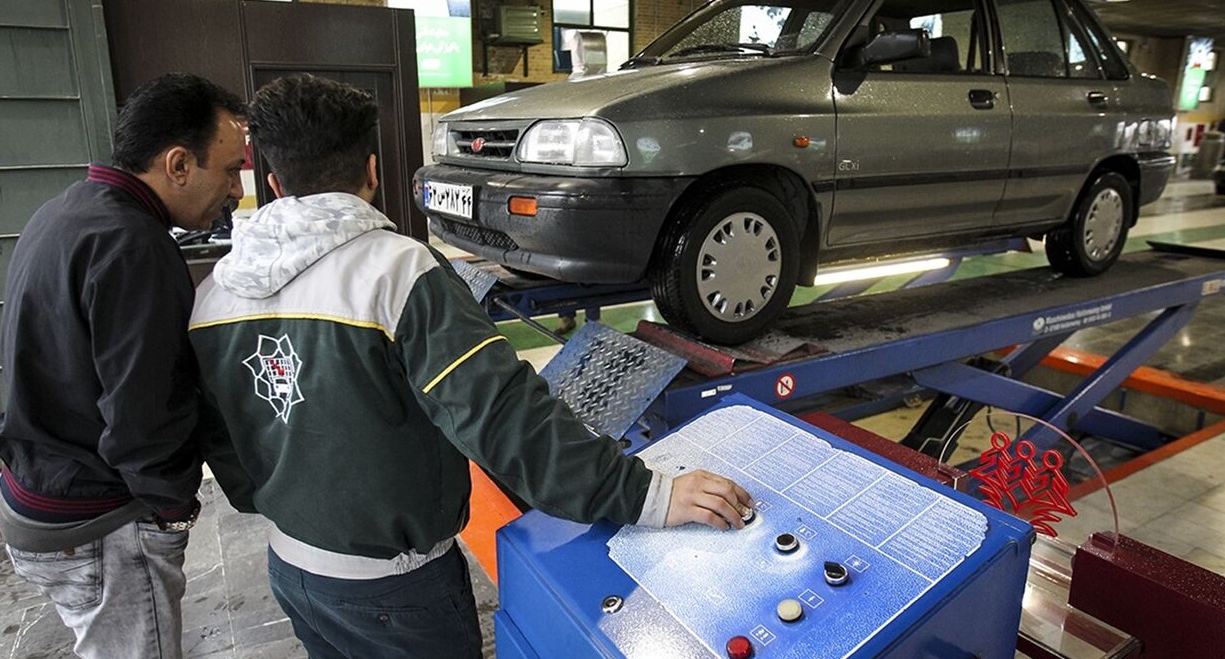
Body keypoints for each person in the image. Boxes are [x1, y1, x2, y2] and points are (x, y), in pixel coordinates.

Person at [188, 73, 753, 659]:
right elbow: (506, 421)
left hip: (292, 571)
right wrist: (648, 496)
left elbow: (222, 441)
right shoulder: (399, 274)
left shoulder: (214, 295)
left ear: (274, 184)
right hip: (398, 591)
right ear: (373, 171)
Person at [0, 73, 248, 658]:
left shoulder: (67, 210)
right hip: (95, 523)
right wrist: (172, 512)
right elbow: (145, 413)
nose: (236, 189)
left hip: (36, 492)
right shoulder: (133, 244)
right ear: (179, 164)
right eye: (230, 168)